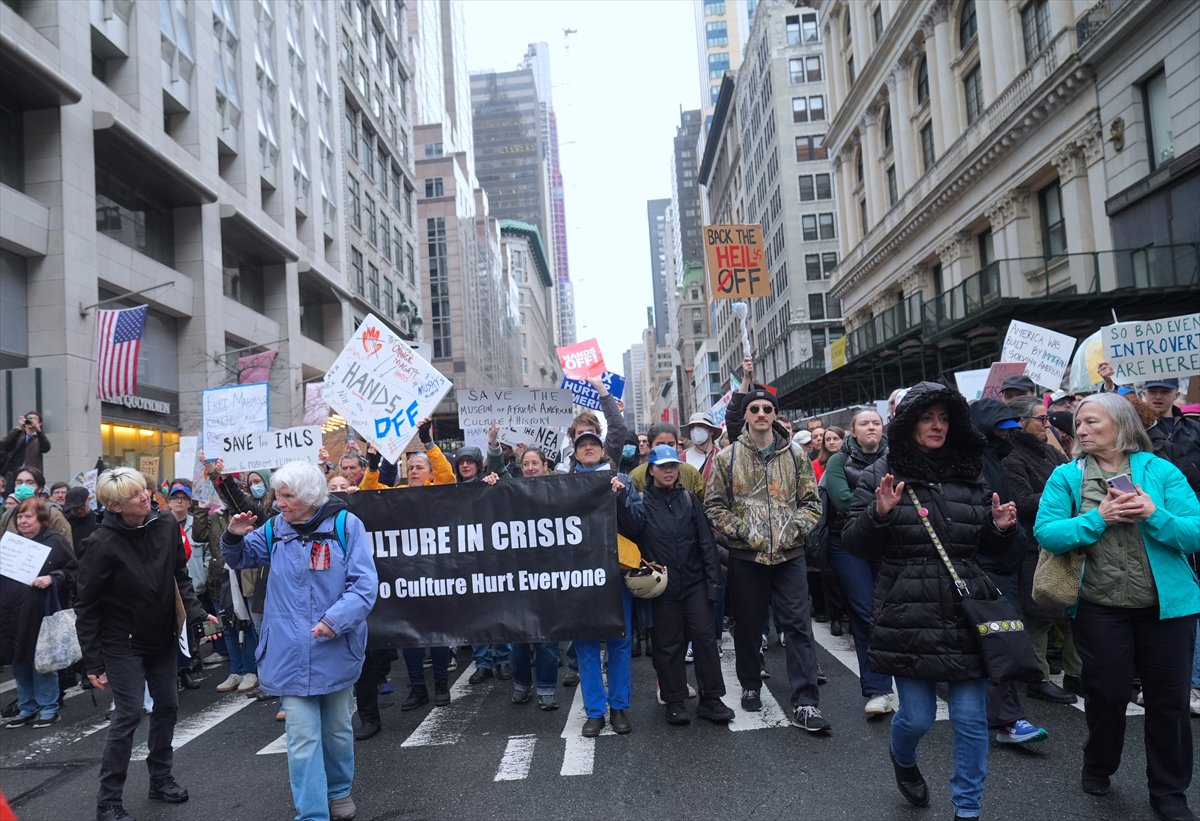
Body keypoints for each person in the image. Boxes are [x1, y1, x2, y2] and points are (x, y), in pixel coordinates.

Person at [842, 382, 1018, 820]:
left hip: (965, 609)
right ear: (909, 423)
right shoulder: (881, 471)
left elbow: (995, 553)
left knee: (972, 719)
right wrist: (878, 514)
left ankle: (967, 808)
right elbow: (853, 544)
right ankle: (903, 759)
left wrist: (1000, 529)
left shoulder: (972, 469)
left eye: (943, 418)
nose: (937, 426)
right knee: (917, 718)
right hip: (909, 610)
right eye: (927, 417)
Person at [1034, 393, 1199, 821]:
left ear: (1122, 425)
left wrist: (1152, 513)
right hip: (1099, 606)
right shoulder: (1066, 478)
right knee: (1106, 694)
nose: (1082, 430)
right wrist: (1099, 518)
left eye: (1092, 422)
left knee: (1169, 702)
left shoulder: (1161, 471)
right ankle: (1099, 761)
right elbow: (1047, 533)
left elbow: (1195, 532)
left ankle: (1169, 791)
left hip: (1168, 609)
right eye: (1080, 424)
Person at [221, 461, 377, 821]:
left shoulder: (345, 525)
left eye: (287, 496)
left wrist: (333, 621)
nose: (278, 503)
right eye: (278, 495)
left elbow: (365, 586)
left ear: (309, 496)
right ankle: (312, 812)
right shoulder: (276, 528)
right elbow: (241, 557)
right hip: (288, 650)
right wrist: (233, 535)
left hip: (334, 645)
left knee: (337, 731)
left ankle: (339, 791)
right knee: (302, 738)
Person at [74, 467, 217, 821]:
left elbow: (179, 575)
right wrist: (92, 663)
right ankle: (108, 800)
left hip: (161, 633)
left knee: (168, 705)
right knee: (129, 714)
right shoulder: (100, 544)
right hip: (121, 640)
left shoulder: (165, 524)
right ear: (115, 507)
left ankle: (161, 777)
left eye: (145, 490)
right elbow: (86, 606)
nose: (146, 497)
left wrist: (197, 613)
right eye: (135, 495)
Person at [704, 387, 829, 734]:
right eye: (755, 408)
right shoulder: (727, 459)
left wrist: (794, 530)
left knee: (799, 626)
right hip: (747, 556)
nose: (761, 413)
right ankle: (749, 683)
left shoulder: (796, 455)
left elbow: (811, 502)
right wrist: (744, 532)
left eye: (768, 408)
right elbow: (714, 506)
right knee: (747, 625)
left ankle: (806, 702)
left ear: (775, 414)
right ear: (745, 415)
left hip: (790, 555)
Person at [616, 446, 733, 726]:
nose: (669, 471)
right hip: (663, 586)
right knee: (668, 645)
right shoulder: (641, 503)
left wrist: (714, 584)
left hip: (694, 584)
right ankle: (675, 700)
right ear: (651, 470)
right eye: (663, 466)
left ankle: (711, 699)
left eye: (673, 466)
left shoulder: (690, 500)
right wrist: (620, 495)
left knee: (705, 641)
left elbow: (707, 544)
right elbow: (630, 529)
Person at [968, 399, 1051, 745]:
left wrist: (1009, 535)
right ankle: (1003, 716)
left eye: (1012, 431)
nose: (1009, 437)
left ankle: (1006, 717)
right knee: (993, 635)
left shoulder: (997, 459)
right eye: (1002, 432)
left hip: (1001, 557)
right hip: (974, 560)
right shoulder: (972, 463)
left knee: (999, 634)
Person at [1000, 396, 1081, 700]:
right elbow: (1022, 503)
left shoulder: (1050, 452)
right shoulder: (1012, 458)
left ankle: (1076, 674)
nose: (1048, 424)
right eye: (1041, 418)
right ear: (1021, 422)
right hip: (1035, 546)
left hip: (1067, 540)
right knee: (1039, 616)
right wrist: (1060, 500)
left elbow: (1077, 482)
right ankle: (1038, 677)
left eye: (1047, 418)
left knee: (1074, 611)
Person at [821, 408, 895, 717]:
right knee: (865, 612)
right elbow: (843, 501)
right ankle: (878, 689)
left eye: (876, 422)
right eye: (864, 423)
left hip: (888, 541)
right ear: (853, 430)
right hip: (848, 542)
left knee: (891, 611)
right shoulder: (839, 460)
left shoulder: (896, 457)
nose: (871, 428)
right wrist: (882, 505)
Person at [568, 429, 635, 737]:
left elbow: (639, 522)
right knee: (586, 643)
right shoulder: (561, 485)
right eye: (583, 445)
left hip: (614, 573)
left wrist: (621, 496)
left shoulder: (622, 479)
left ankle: (619, 707)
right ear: (575, 453)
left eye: (593, 443)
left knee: (620, 642)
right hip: (579, 577)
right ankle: (595, 711)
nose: (589, 448)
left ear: (603, 451)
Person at [0, 498, 77, 729]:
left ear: (41, 519)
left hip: (40, 612)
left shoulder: (54, 541)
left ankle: (48, 707)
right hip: (11, 612)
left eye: (28, 516)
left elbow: (74, 572)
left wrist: (52, 578)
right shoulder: (10, 544)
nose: (22, 521)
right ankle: (26, 706)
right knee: (18, 661)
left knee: (41, 660)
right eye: (20, 517)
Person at [504, 448, 562, 711]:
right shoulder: (512, 490)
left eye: (534, 463)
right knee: (519, 637)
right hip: (518, 576)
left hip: (548, 576)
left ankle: (547, 688)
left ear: (544, 465)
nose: (530, 468)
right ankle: (521, 684)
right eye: (525, 463)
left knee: (547, 638)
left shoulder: (558, 489)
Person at [1141, 378, 1200, 477]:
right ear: (1144, 394)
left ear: (1176, 395)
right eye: (1152, 391)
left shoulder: (1194, 427)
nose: (1158, 397)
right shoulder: (1136, 429)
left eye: (1165, 392)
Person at [2, 467, 72, 544]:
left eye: (30, 482)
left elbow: (66, 547)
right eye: (19, 482)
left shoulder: (52, 513)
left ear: (40, 489)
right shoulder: (8, 515)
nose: (23, 486)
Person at [1, 411, 50, 488]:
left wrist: (39, 431)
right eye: (29, 418)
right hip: (11, 474)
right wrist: (19, 428)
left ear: (39, 423)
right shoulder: (17, 435)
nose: (31, 420)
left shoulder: (39, 438)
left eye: (34, 418)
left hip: (31, 475)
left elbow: (46, 448)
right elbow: (5, 444)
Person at [64, 486, 99, 554]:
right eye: (75, 509)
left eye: (82, 507)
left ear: (89, 499)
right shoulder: (66, 521)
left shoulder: (98, 522)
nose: (79, 511)